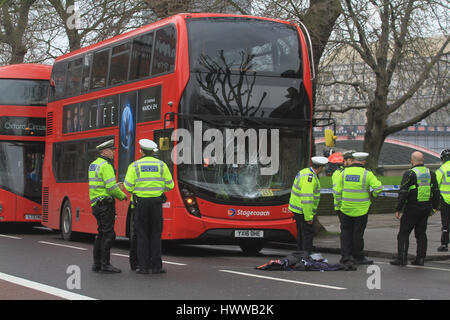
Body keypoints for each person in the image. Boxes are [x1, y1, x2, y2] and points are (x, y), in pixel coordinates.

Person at [124, 139, 174, 274]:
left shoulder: (134, 166)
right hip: (156, 204)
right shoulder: (162, 165)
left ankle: (143, 266)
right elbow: (170, 185)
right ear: (153, 152)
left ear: (141, 151)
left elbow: (128, 187)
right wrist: (158, 188)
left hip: (140, 204)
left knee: (142, 234)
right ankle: (156, 266)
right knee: (156, 234)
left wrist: (139, 188)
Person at [334, 152, 383, 268]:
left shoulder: (343, 173)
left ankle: (346, 257)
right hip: (361, 209)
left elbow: (337, 191)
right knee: (358, 234)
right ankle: (358, 257)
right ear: (364, 161)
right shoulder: (367, 174)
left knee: (345, 232)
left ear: (354, 160)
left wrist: (340, 204)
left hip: (345, 208)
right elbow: (379, 188)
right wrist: (372, 195)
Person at [390, 152, 439, 266]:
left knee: (403, 233)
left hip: (412, 208)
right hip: (426, 207)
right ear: (422, 160)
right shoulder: (430, 173)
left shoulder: (410, 174)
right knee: (421, 234)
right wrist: (435, 207)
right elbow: (436, 192)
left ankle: (402, 259)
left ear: (412, 161)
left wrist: (398, 209)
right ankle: (420, 259)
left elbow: (403, 192)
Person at [89, 139, 127, 273]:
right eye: (112, 150)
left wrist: (116, 186)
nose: (114, 153)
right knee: (109, 235)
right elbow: (110, 188)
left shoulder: (93, 165)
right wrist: (122, 195)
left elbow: (102, 186)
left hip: (96, 204)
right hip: (106, 205)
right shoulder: (106, 166)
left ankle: (97, 264)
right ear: (104, 151)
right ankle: (106, 264)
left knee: (101, 234)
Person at [288, 156, 329, 254]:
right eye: (323, 167)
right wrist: (308, 217)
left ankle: (301, 255)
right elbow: (307, 199)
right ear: (320, 167)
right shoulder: (309, 179)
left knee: (301, 234)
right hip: (303, 211)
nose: (323, 169)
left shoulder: (305, 172)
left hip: (298, 209)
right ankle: (306, 256)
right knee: (307, 234)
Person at [436, 149, 450, 252]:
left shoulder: (442, 169)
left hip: (445, 200)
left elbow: (435, 185)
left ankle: (444, 245)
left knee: (445, 223)